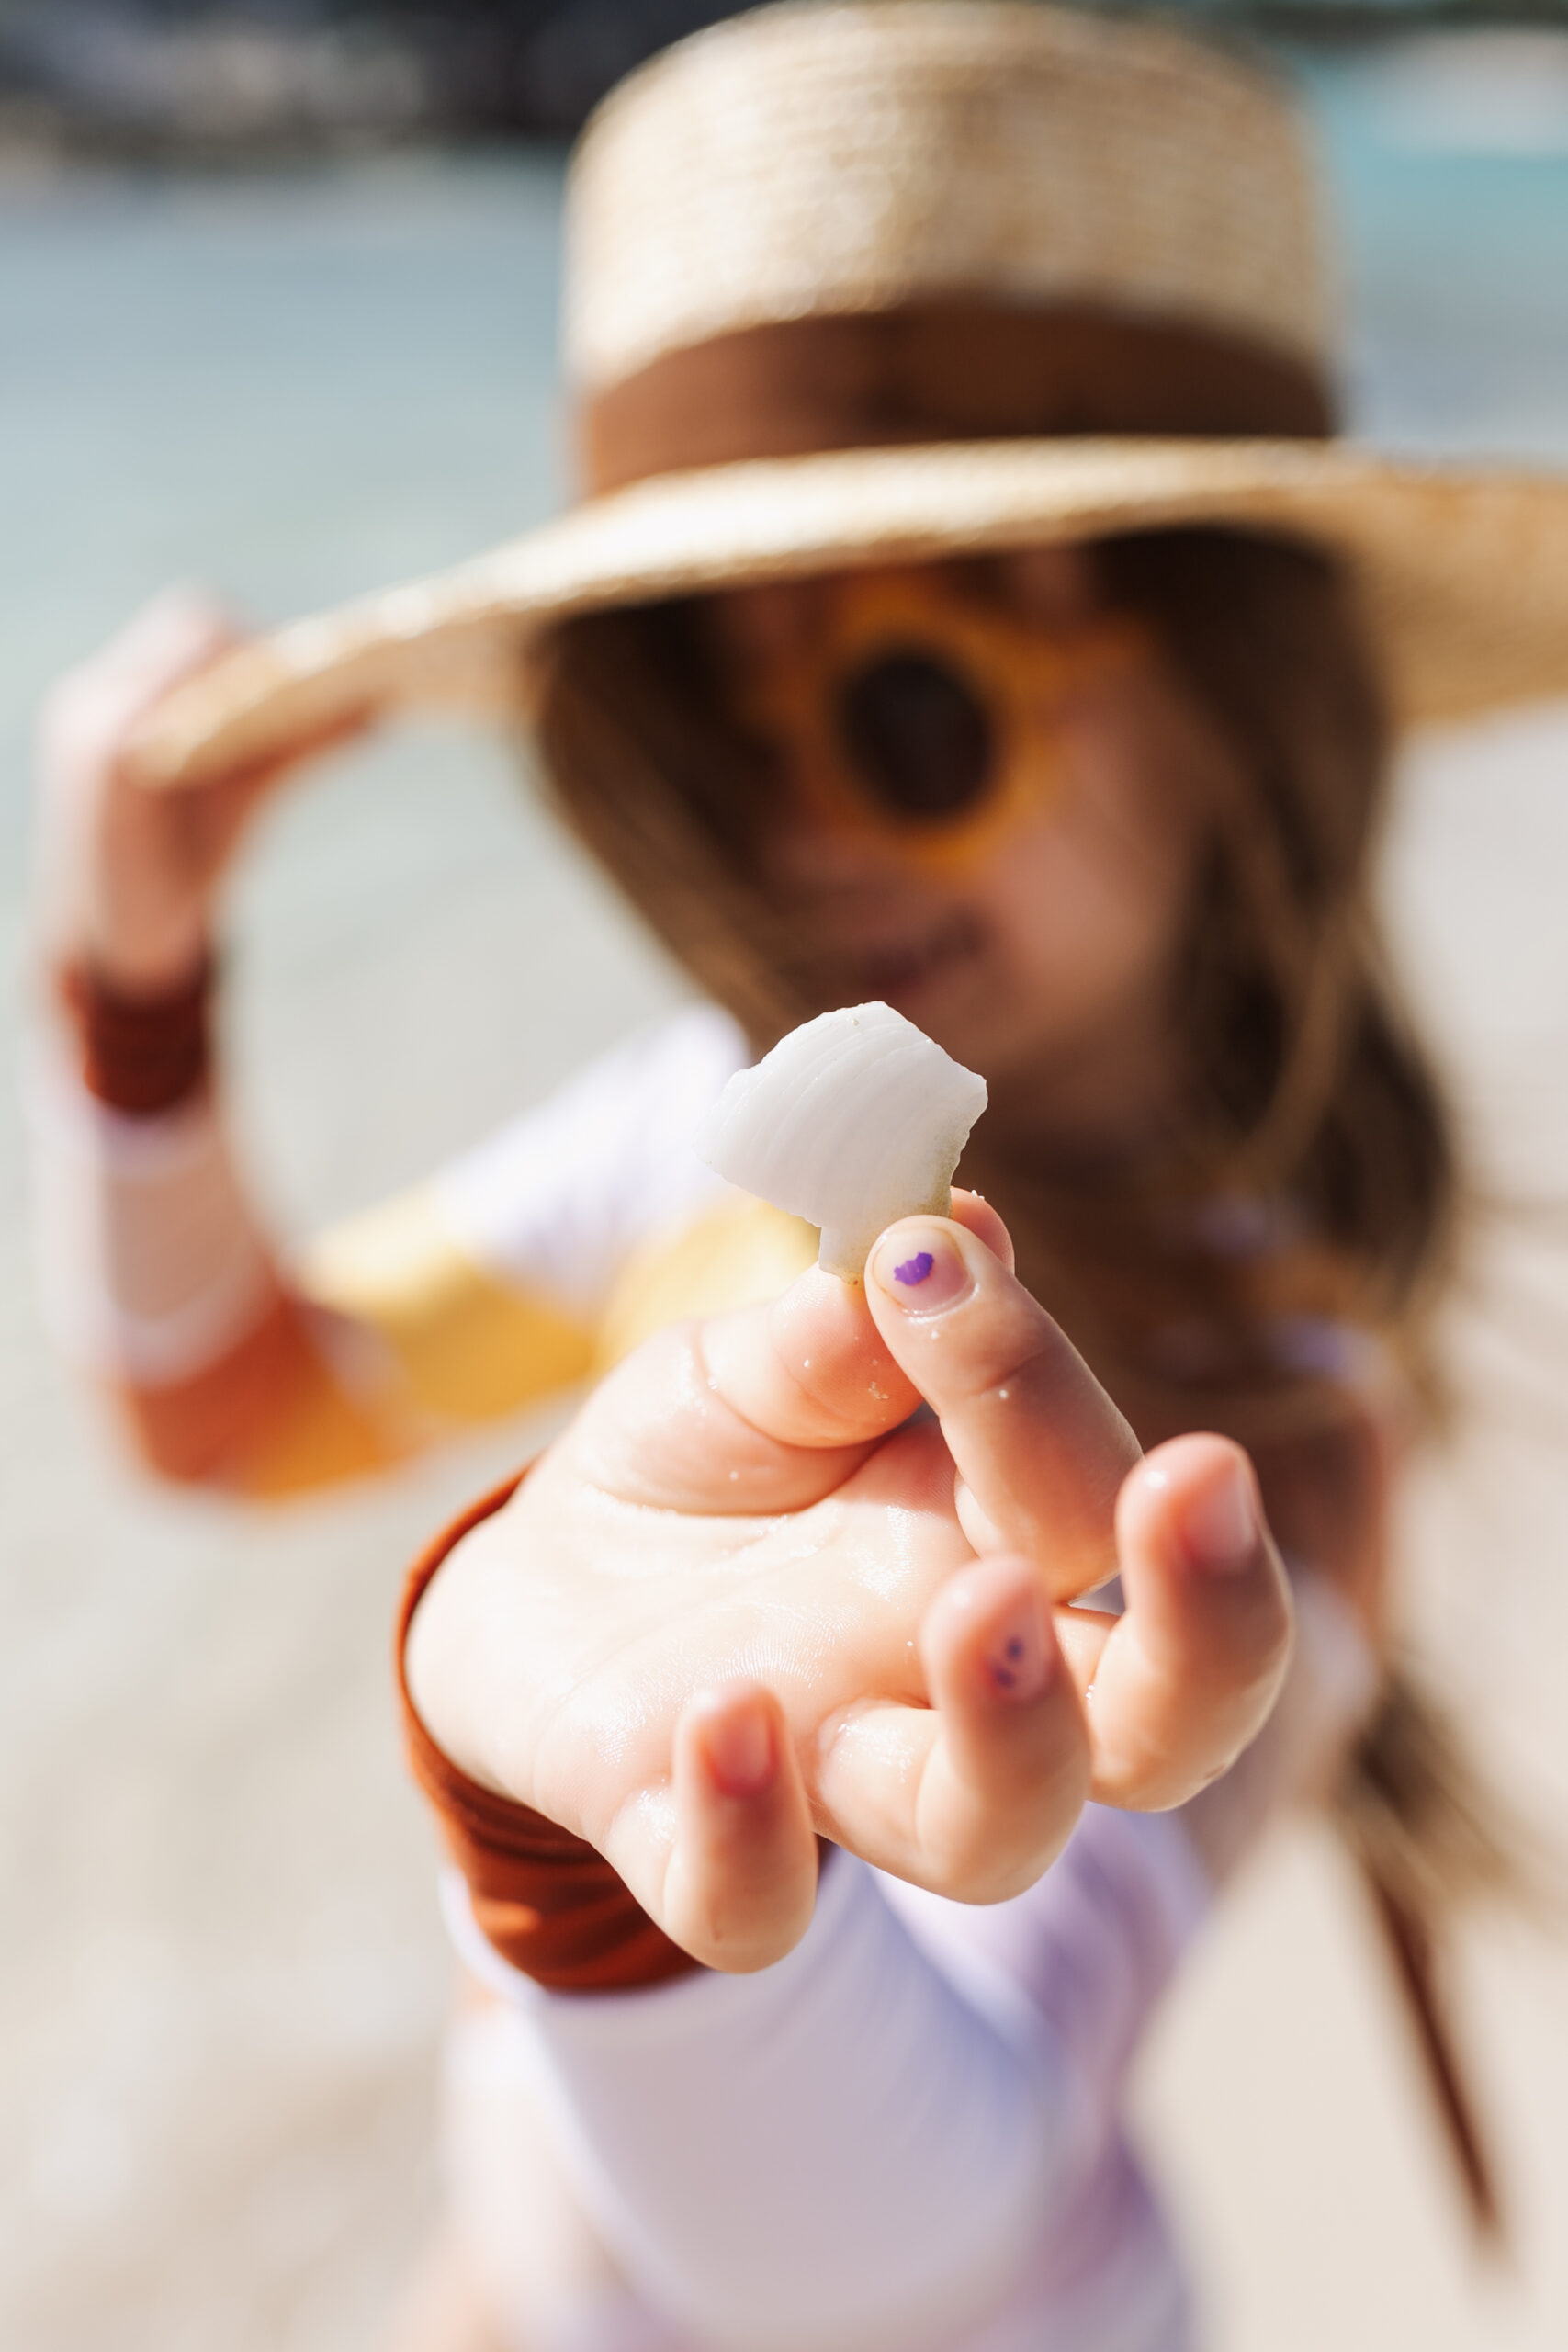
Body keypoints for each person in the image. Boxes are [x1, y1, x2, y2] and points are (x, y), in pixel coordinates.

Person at [31, 5, 1568, 2345]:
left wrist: (590, 1855)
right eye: (715, 743)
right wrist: (137, 1000)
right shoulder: (694, 1112)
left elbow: (894, 2227)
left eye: (911, 708)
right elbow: (233, 1407)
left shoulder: (1253, 1412)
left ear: (1241, 688)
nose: (817, 839)